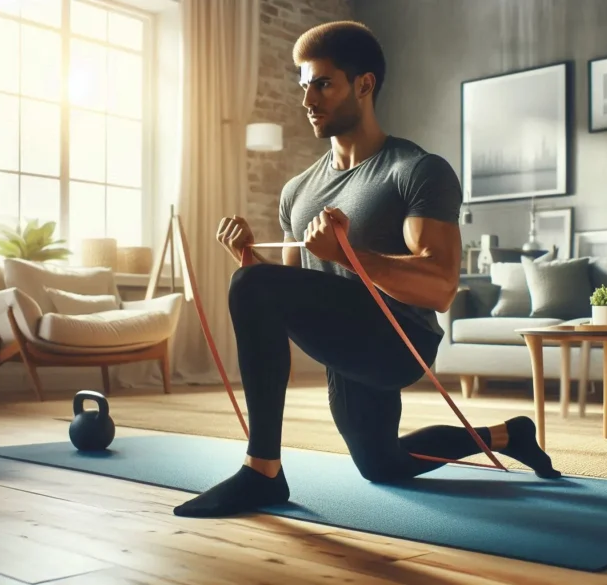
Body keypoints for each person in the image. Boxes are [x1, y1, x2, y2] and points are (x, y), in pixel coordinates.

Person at [174, 20, 560, 519]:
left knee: (254, 285)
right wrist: (249, 260)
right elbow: (296, 288)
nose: (308, 98)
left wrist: (345, 256)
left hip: (399, 343)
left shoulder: (417, 170)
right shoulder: (297, 191)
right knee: (383, 464)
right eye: (303, 86)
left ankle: (262, 471)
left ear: (364, 84)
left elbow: (440, 287)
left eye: (323, 83)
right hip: (346, 348)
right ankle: (510, 434)